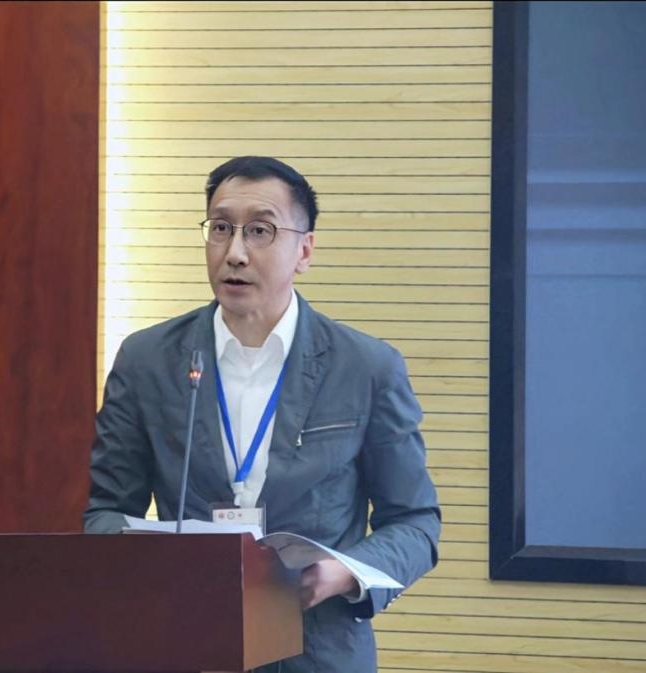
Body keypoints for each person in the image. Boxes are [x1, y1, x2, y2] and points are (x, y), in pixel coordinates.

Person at [84, 156, 441, 673]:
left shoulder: (365, 367)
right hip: (185, 642)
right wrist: (149, 563)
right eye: (221, 228)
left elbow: (414, 522)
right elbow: (105, 512)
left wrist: (345, 571)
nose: (234, 252)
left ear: (304, 250)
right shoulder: (147, 360)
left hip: (318, 649)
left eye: (259, 231)